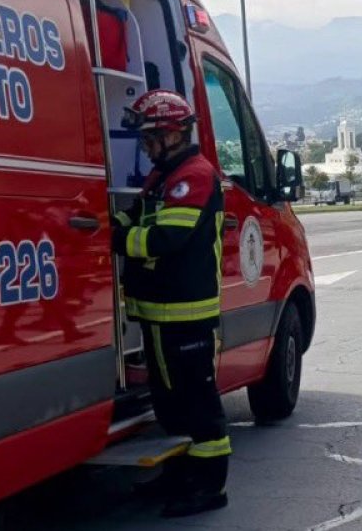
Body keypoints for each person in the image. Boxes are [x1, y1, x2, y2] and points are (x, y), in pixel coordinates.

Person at [112, 90, 231, 517]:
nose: (146, 148)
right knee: (169, 402)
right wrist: (112, 224)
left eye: (150, 139)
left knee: (197, 404)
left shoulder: (193, 177)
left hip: (185, 315)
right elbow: (137, 215)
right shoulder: (163, 177)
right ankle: (179, 474)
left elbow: (167, 237)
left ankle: (209, 486)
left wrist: (117, 240)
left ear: (174, 134)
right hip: (160, 314)